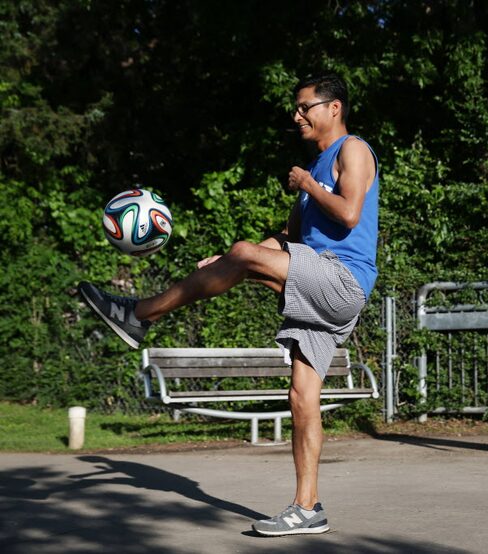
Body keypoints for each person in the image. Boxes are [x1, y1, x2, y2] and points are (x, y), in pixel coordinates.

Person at [79, 73, 379, 535]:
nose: (296, 115)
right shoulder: (313, 171)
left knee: (244, 255)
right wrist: (235, 259)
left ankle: (138, 316)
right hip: (318, 280)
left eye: (305, 107)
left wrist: (305, 186)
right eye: (295, 108)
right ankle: (307, 507)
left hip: (341, 279)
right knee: (301, 396)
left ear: (333, 107)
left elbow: (350, 211)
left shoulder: (351, 150)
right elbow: (287, 240)